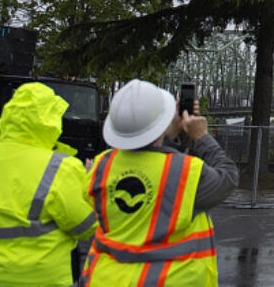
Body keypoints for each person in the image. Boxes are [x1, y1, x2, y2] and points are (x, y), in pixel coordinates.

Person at [81, 78, 238, 286]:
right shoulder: (186, 171)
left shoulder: (101, 167)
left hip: (106, 279)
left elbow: (152, 161)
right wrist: (201, 137)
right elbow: (228, 178)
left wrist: (168, 130)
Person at [0, 81, 98, 287]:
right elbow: (88, 226)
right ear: (49, 121)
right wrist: (91, 186)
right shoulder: (60, 167)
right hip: (38, 279)